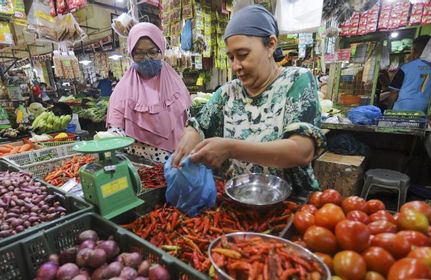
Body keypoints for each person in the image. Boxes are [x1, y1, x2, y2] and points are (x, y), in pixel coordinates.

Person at [172, 5, 324, 194]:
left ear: (270, 45)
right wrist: (189, 138)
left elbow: (302, 150)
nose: (236, 66)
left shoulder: (296, 81)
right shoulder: (229, 92)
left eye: (243, 55)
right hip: (239, 203)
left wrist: (232, 149)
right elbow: (197, 126)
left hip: (290, 204)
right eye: (231, 57)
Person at [106, 22, 191, 163]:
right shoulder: (123, 89)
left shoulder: (175, 83)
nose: (147, 58)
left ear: (161, 50)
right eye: (139, 53)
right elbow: (115, 129)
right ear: (131, 53)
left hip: (178, 163)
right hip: (141, 167)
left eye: (152, 52)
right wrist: (109, 141)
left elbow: (189, 120)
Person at [387, 35, 431, 113]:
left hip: (401, 110)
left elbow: (393, 93)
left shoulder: (405, 68)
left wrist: (388, 109)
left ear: (414, 50)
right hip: (424, 111)